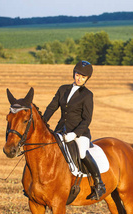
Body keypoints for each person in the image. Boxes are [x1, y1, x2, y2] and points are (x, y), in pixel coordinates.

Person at [42, 60, 106, 200]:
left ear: (87, 79)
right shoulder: (63, 89)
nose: (79, 79)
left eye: (83, 77)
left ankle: (99, 184)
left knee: (82, 153)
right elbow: (52, 107)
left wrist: (75, 134)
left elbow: (87, 119)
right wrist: (42, 123)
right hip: (61, 130)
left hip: (80, 133)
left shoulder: (87, 95)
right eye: (78, 75)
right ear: (74, 74)